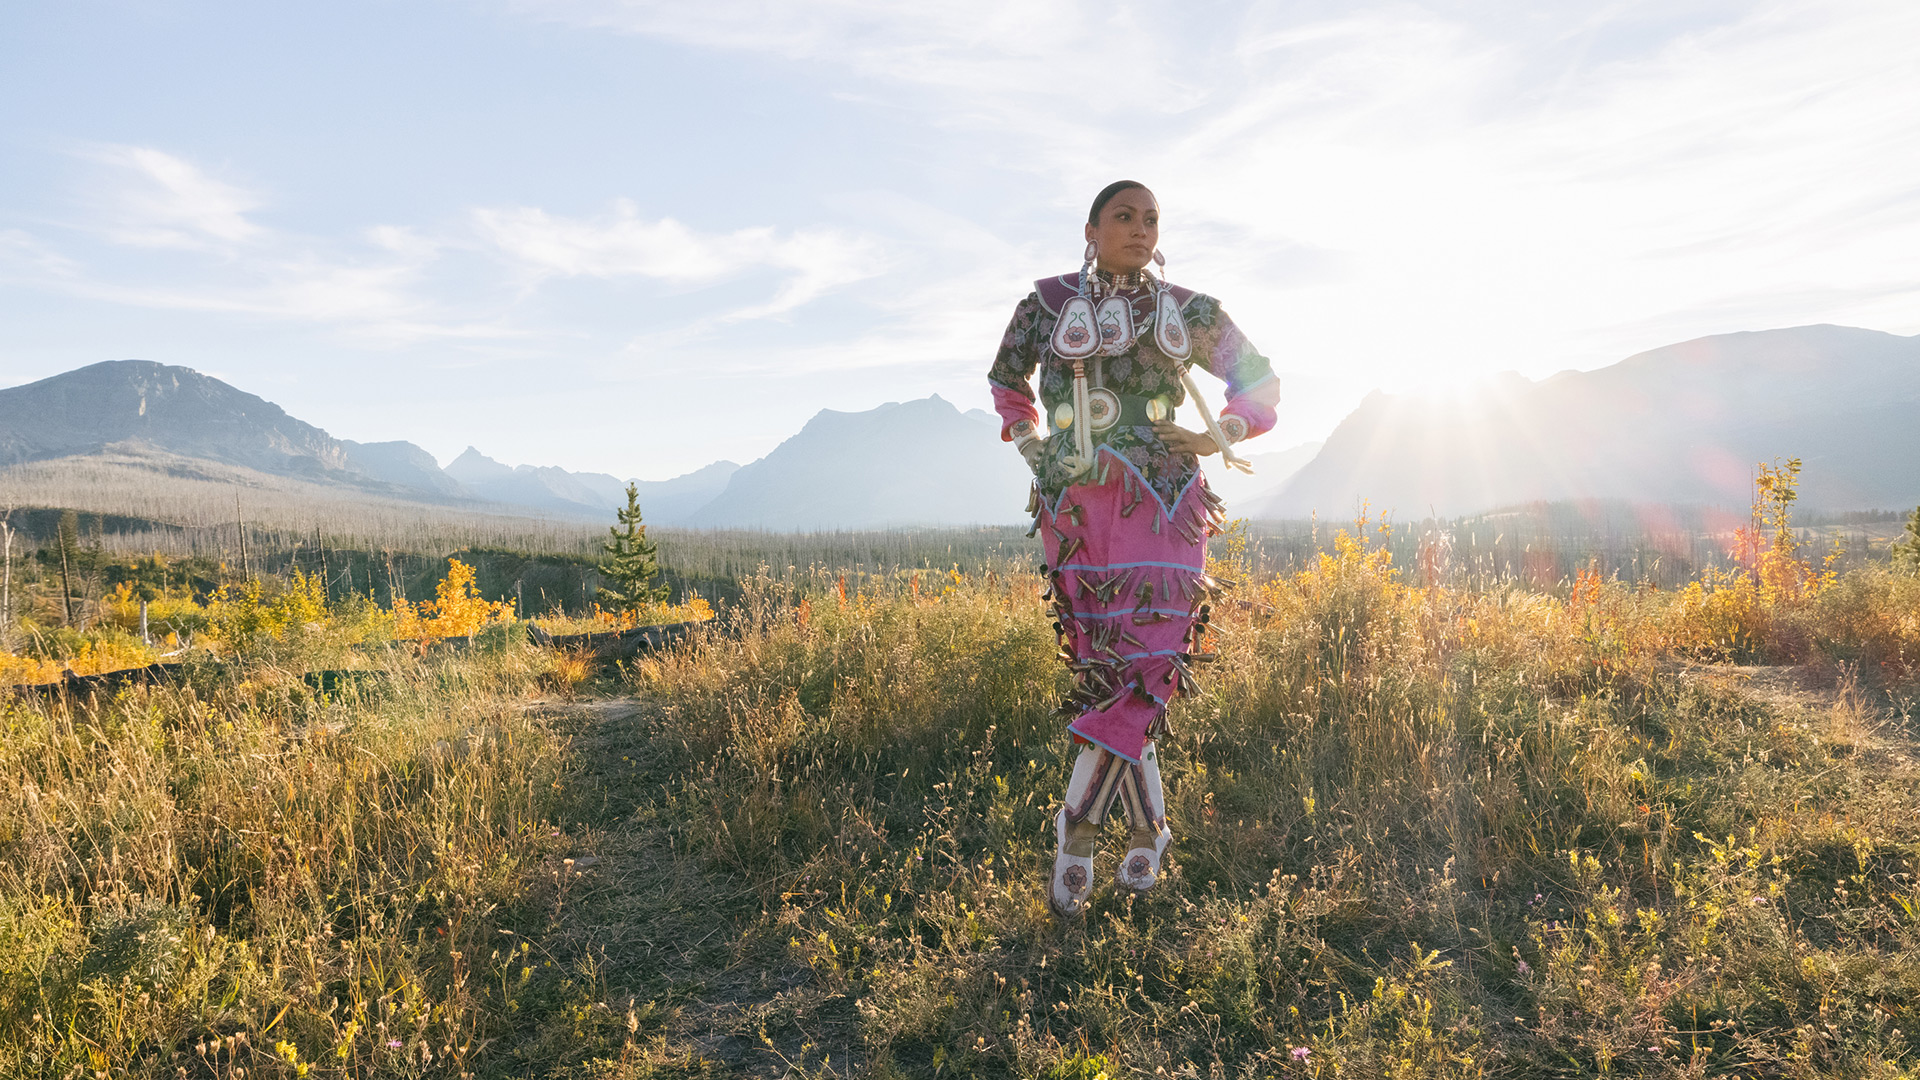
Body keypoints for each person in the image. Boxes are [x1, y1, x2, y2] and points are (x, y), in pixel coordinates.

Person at [988, 180, 1280, 916]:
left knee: (1151, 662)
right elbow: (1006, 381)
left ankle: (1080, 826)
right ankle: (1150, 826)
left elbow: (1260, 382)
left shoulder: (1189, 309)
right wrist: (1032, 447)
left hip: (1167, 503)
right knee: (1108, 671)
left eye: (1151, 219)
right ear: (1091, 230)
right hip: (1077, 504)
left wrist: (1219, 434)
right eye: (1124, 216)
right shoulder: (1046, 305)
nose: (1141, 229)